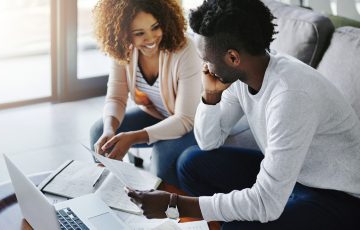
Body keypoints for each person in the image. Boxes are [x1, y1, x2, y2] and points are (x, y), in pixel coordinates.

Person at [126, 0, 360, 228]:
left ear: (233, 58)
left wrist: (175, 205)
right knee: (191, 162)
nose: (204, 68)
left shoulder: (290, 95)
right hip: (294, 177)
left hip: (337, 197)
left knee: (239, 226)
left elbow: (266, 203)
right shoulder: (244, 73)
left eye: (206, 59)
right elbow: (208, 141)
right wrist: (210, 96)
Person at [89, 0, 202, 186]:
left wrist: (134, 136)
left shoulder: (185, 49)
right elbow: (116, 97)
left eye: (155, 27)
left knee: (162, 153)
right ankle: (110, 194)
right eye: (139, 33)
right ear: (123, 34)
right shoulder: (124, 50)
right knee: (99, 131)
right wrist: (110, 129)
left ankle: (162, 209)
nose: (150, 38)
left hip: (194, 124)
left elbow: (185, 119)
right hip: (160, 115)